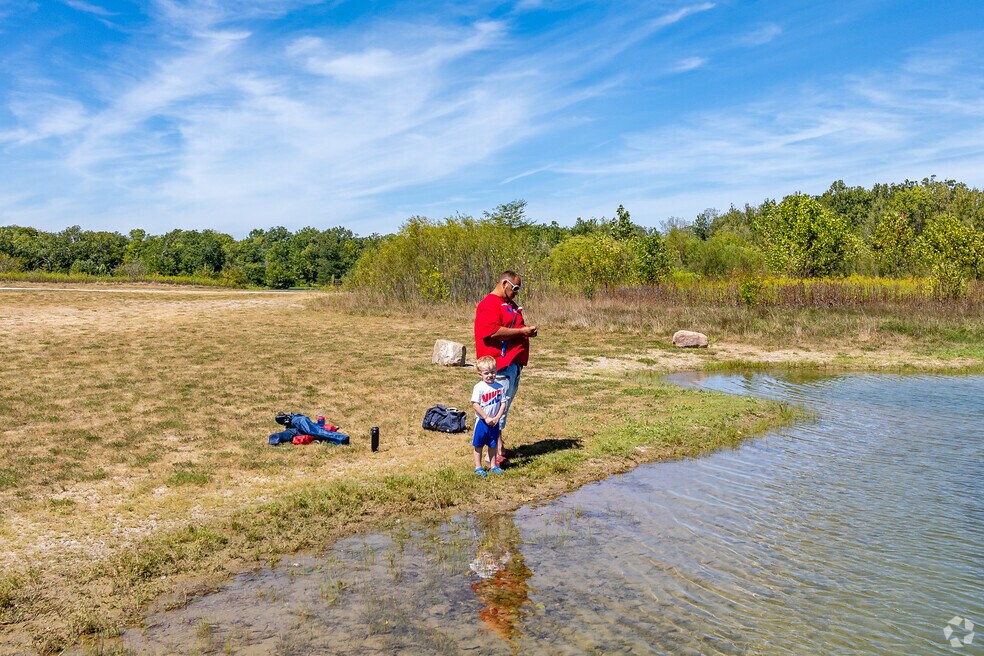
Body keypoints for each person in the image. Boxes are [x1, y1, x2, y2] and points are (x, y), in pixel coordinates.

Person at [474, 270, 537, 466]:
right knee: (495, 408)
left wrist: (526, 332)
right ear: (504, 283)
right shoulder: (488, 304)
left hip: (513, 363)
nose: (517, 292)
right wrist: (521, 331)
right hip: (498, 365)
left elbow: (515, 326)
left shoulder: (509, 304)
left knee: (504, 406)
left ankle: (499, 448)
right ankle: (490, 456)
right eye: (515, 288)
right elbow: (493, 332)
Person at [470, 356, 507, 477]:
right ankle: (478, 467)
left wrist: (497, 417)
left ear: (496, 371)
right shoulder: (479, 387)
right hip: (482, 421)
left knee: (493, 445)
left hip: (494, 421)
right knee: (478, 445)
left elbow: (503, 403)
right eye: (486, 373)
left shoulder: (499, 387)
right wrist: (485, 417)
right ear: (480, 374)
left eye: (493, 372)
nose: (490, 375)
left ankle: (493, 466)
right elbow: (475, 404)